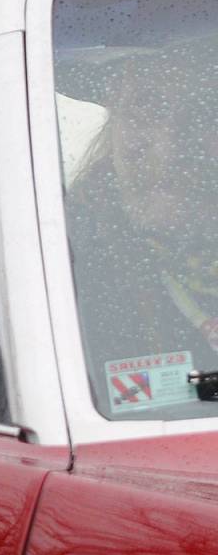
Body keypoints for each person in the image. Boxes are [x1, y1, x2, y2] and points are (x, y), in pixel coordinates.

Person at [60, 34, 218, 418]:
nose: (169, 147)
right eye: (144, 110)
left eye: (200, 114)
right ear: (114, 122)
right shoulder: (58, 267)